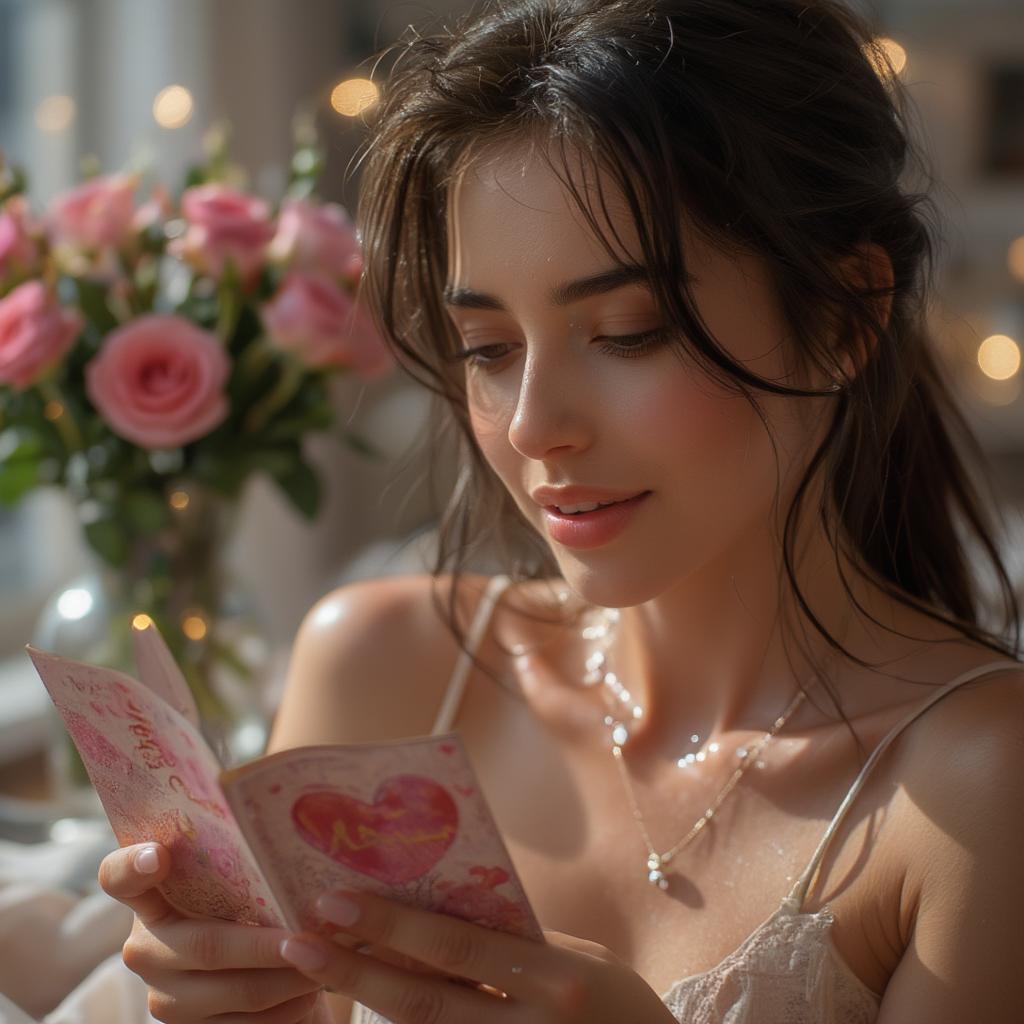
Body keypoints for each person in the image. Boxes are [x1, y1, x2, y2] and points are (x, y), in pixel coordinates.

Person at [97, 0, 1024, 1021]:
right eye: (488, 348)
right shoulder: (384, 668)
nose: (534, 425)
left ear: (846, 316)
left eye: (628, 332)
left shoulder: (979, 785)